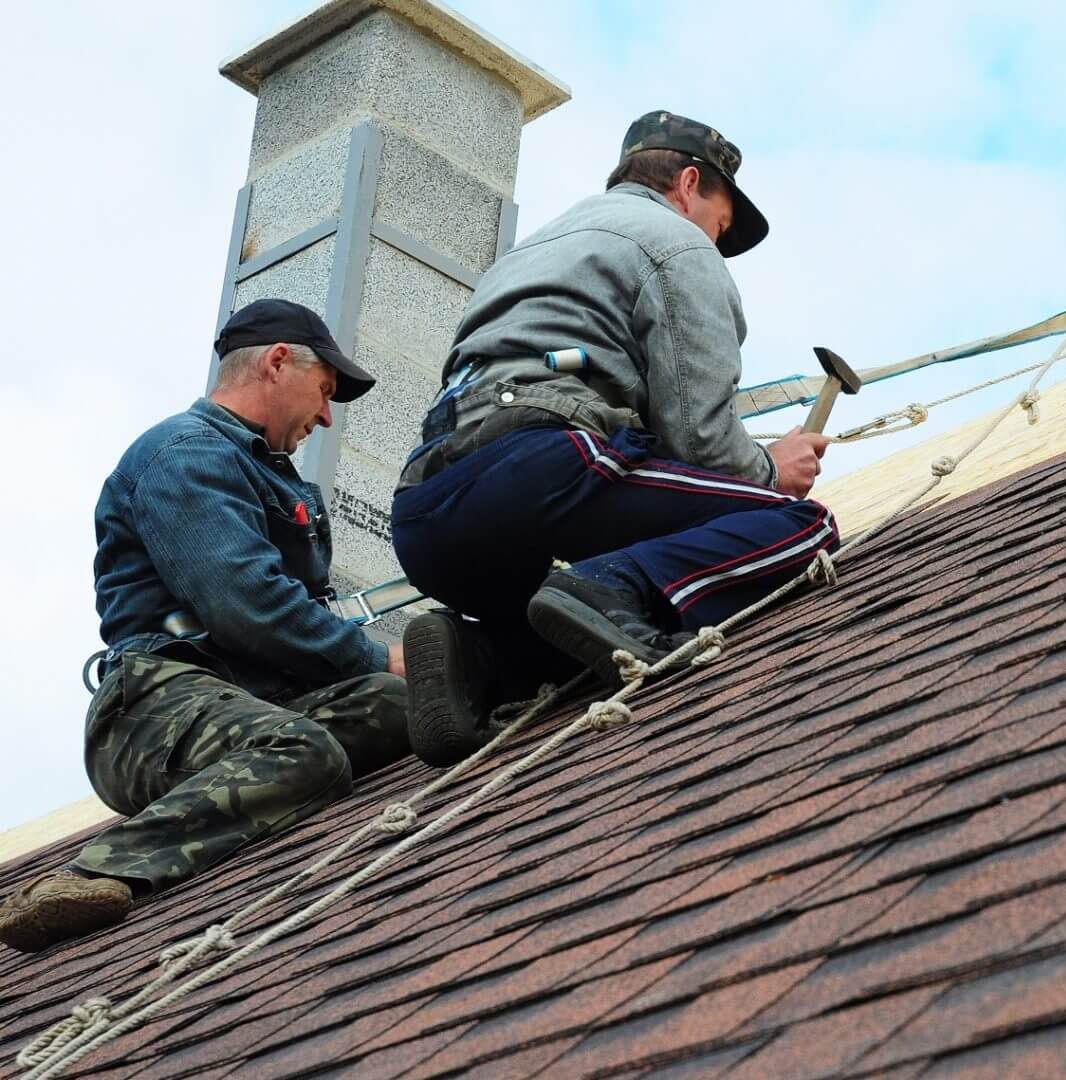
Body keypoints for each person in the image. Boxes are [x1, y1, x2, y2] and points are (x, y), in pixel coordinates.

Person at [390, 110, 837, 767]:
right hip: (540, 471)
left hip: (427, 519)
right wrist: (772, 470)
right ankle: (609, 585)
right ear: (689, 184)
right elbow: (702, 439)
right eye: (721, 223)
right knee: (798, 527)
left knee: (578, 619)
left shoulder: (529, 255)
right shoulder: (675, 243)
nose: (716, 241)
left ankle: (479, 655)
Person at [0, 300, 412, 953]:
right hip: (152, 709)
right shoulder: (185, 455)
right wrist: (376, 656)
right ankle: (88, 876)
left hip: (250, 703)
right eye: (326, 392)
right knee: (307, 751)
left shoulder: (268, 476)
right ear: (278, 361)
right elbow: (246, 603)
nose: (328, 417)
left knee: (399, 707)